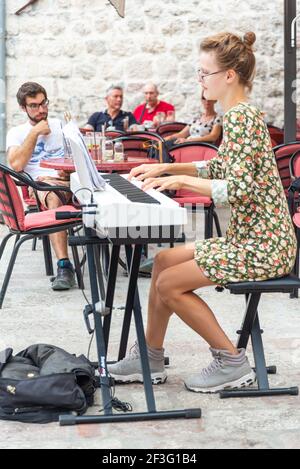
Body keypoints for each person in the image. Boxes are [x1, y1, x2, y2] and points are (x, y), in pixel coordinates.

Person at [108, 32, 297, 393]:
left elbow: (237, 190)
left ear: (229, 75)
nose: (200, 80)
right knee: (164, 260)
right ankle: (149, 355)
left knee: (167, 283)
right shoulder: (240, 115)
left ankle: (231, 361)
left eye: (204, 72)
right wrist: (167, 170)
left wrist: (176, 180)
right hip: (250, 240)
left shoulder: (242, 118)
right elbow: (220, 168)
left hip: (263, 247)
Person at [6, 82, 76, 291]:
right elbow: (16, 164)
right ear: (23, 108)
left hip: (71, 182)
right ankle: (64, 266)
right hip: (42, 187)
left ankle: (133, 255)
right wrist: (35, 133)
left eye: (43, 103)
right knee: (52, 195)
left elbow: (80, 156)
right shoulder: (17, 133)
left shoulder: (61, 125)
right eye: (34, 105)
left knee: (110, 189)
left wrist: (70, 170)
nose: (42, 109)